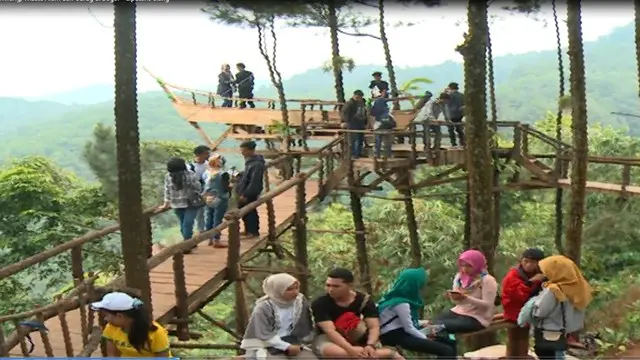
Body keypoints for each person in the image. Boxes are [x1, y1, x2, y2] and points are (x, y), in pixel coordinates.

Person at [311, 268, 403, 360]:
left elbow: (373, 326)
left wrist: (370, 345)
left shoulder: (364, 300)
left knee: (365, 351)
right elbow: (330, 331)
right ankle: (386, 353)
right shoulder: (320, 303)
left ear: (350, 286)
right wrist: (350, 349)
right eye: (328, 285)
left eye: (336, 286)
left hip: (356, 335)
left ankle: (379, 352)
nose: (330, 289)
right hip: (327, 338)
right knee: (336, 353)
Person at [521, 255, 593, 360]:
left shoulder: (553, 290)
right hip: (563, 331)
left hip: (549, 332)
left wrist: (533, 305)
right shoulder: (577, 287)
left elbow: (540, 312)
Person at [378, 268, 456, 359]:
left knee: (449, 340)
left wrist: (423, 323)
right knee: (446, 350)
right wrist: (424, 338)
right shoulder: (401, 303)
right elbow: (409, 328)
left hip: (396, 333)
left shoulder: (393, 298)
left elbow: (401, 321)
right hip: (396, 336)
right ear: (414, 285)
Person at [241, 273, 317, 360]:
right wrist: (286, 347)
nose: (295, 292)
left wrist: (297, 343)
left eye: (297, 288)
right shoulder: (263, 308)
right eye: (289, 289)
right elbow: (263, 334)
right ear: (277, 290)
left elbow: (305, 324)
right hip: (267, 344)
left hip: (293, 341)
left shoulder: (299, 301)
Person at [433, 249, 497, 334]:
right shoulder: (459, 277)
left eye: (469, 266)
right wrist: (454, 297)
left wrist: (466, 298)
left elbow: (488, 305)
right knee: (433, 323)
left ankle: (448, 346)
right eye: (462, 265)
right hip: (459, 311)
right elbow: (458, 303)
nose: (464, 269)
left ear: (477, 264)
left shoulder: (487, 280)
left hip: (477, 318)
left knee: (442, 326)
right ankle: (447, 345)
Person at [91, 291, 171, 358]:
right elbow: (112, 355)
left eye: (107, 315)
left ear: (120, 316)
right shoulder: (111, 328)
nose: (106, 319)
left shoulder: (156, 333)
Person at [501, 248, 546, 358]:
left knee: (523, 337)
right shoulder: (513, 274)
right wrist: (531, 282)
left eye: (533, 262)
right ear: (521, 261)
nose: (528, 265)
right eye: (526, 261)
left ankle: (521, 356)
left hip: (532, 311)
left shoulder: (542, 275)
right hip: (514, 311)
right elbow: (517, 296)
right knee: (516, 337)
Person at [163, 157, 203, 254]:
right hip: (183, 203)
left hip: (186, 204)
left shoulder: (170, 176)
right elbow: (198, 187)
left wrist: (166, 203)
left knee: (186, 224)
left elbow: (167, 191)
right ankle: (189, 242)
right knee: (185, 224)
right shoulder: (188, 174)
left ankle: (186, 245)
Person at [236, 141, 265, 239]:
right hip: (246, 190)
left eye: (244, 151)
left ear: (251, 150)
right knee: (246, 211)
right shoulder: (251, 162)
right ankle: (248, 230)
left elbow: (254, 181)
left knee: (250, 211)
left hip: (249, 192)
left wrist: (246, 194)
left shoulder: (256, 164)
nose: (242, 153)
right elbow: (248, 175)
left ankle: (253, 232)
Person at [203, 153, 230, 248]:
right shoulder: (223, 174)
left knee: (209, 217)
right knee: (217, 219)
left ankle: (209, 238)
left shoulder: (206, 173)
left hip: (208, 198)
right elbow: (226, 187)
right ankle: (216, 240)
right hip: (220, 198)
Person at [188, 145, 210, 235]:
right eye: (206, 153)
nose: (208, 155)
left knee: (209, 210)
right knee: (198, 212)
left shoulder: (209, 164)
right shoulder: (190, 167)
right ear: (198, 154)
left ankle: (208, 228)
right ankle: (201, 230)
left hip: (208, 190)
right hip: (195, 192)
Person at [341, 90, 368, 159]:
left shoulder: (362, 103)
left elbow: (365, 113)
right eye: (358, 96)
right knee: (354, 140)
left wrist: (365, 122)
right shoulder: (349, 103)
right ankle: (354, 154)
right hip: (352, 123)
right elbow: (344, 113)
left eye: (360, 97)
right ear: (355, 95)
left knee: (360, 139)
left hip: (360, 123)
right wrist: (345, 121)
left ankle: (359, 153)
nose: (359, 98)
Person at [369, 92, 396, 158]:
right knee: (387, 143)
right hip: (387, 126)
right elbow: (391, 115)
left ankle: (377, 156)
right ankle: (387, 156)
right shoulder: (387, 105)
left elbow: (372, 113)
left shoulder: (376, 103)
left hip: (378, 125)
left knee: (377, 143)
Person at [446, 82, 465, 147]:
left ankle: (453, 144)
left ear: (450, 88)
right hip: (460, 115)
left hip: (451, 115)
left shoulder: (449, 95)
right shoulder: (462, 95)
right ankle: (462, 143)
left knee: (451, 130)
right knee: (459, 130)